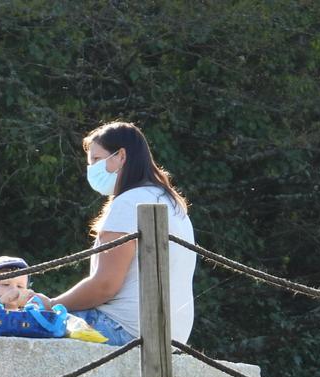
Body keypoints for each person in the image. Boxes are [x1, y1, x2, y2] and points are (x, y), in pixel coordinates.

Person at [28, 121, 196, 345]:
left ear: (121, 156)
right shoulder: (173, 204)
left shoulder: (128, 203)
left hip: (124, 329)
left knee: (24, 323)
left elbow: (105, 286)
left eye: (97, 159)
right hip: (172, 336)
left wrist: (51, 305)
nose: (92, 169)